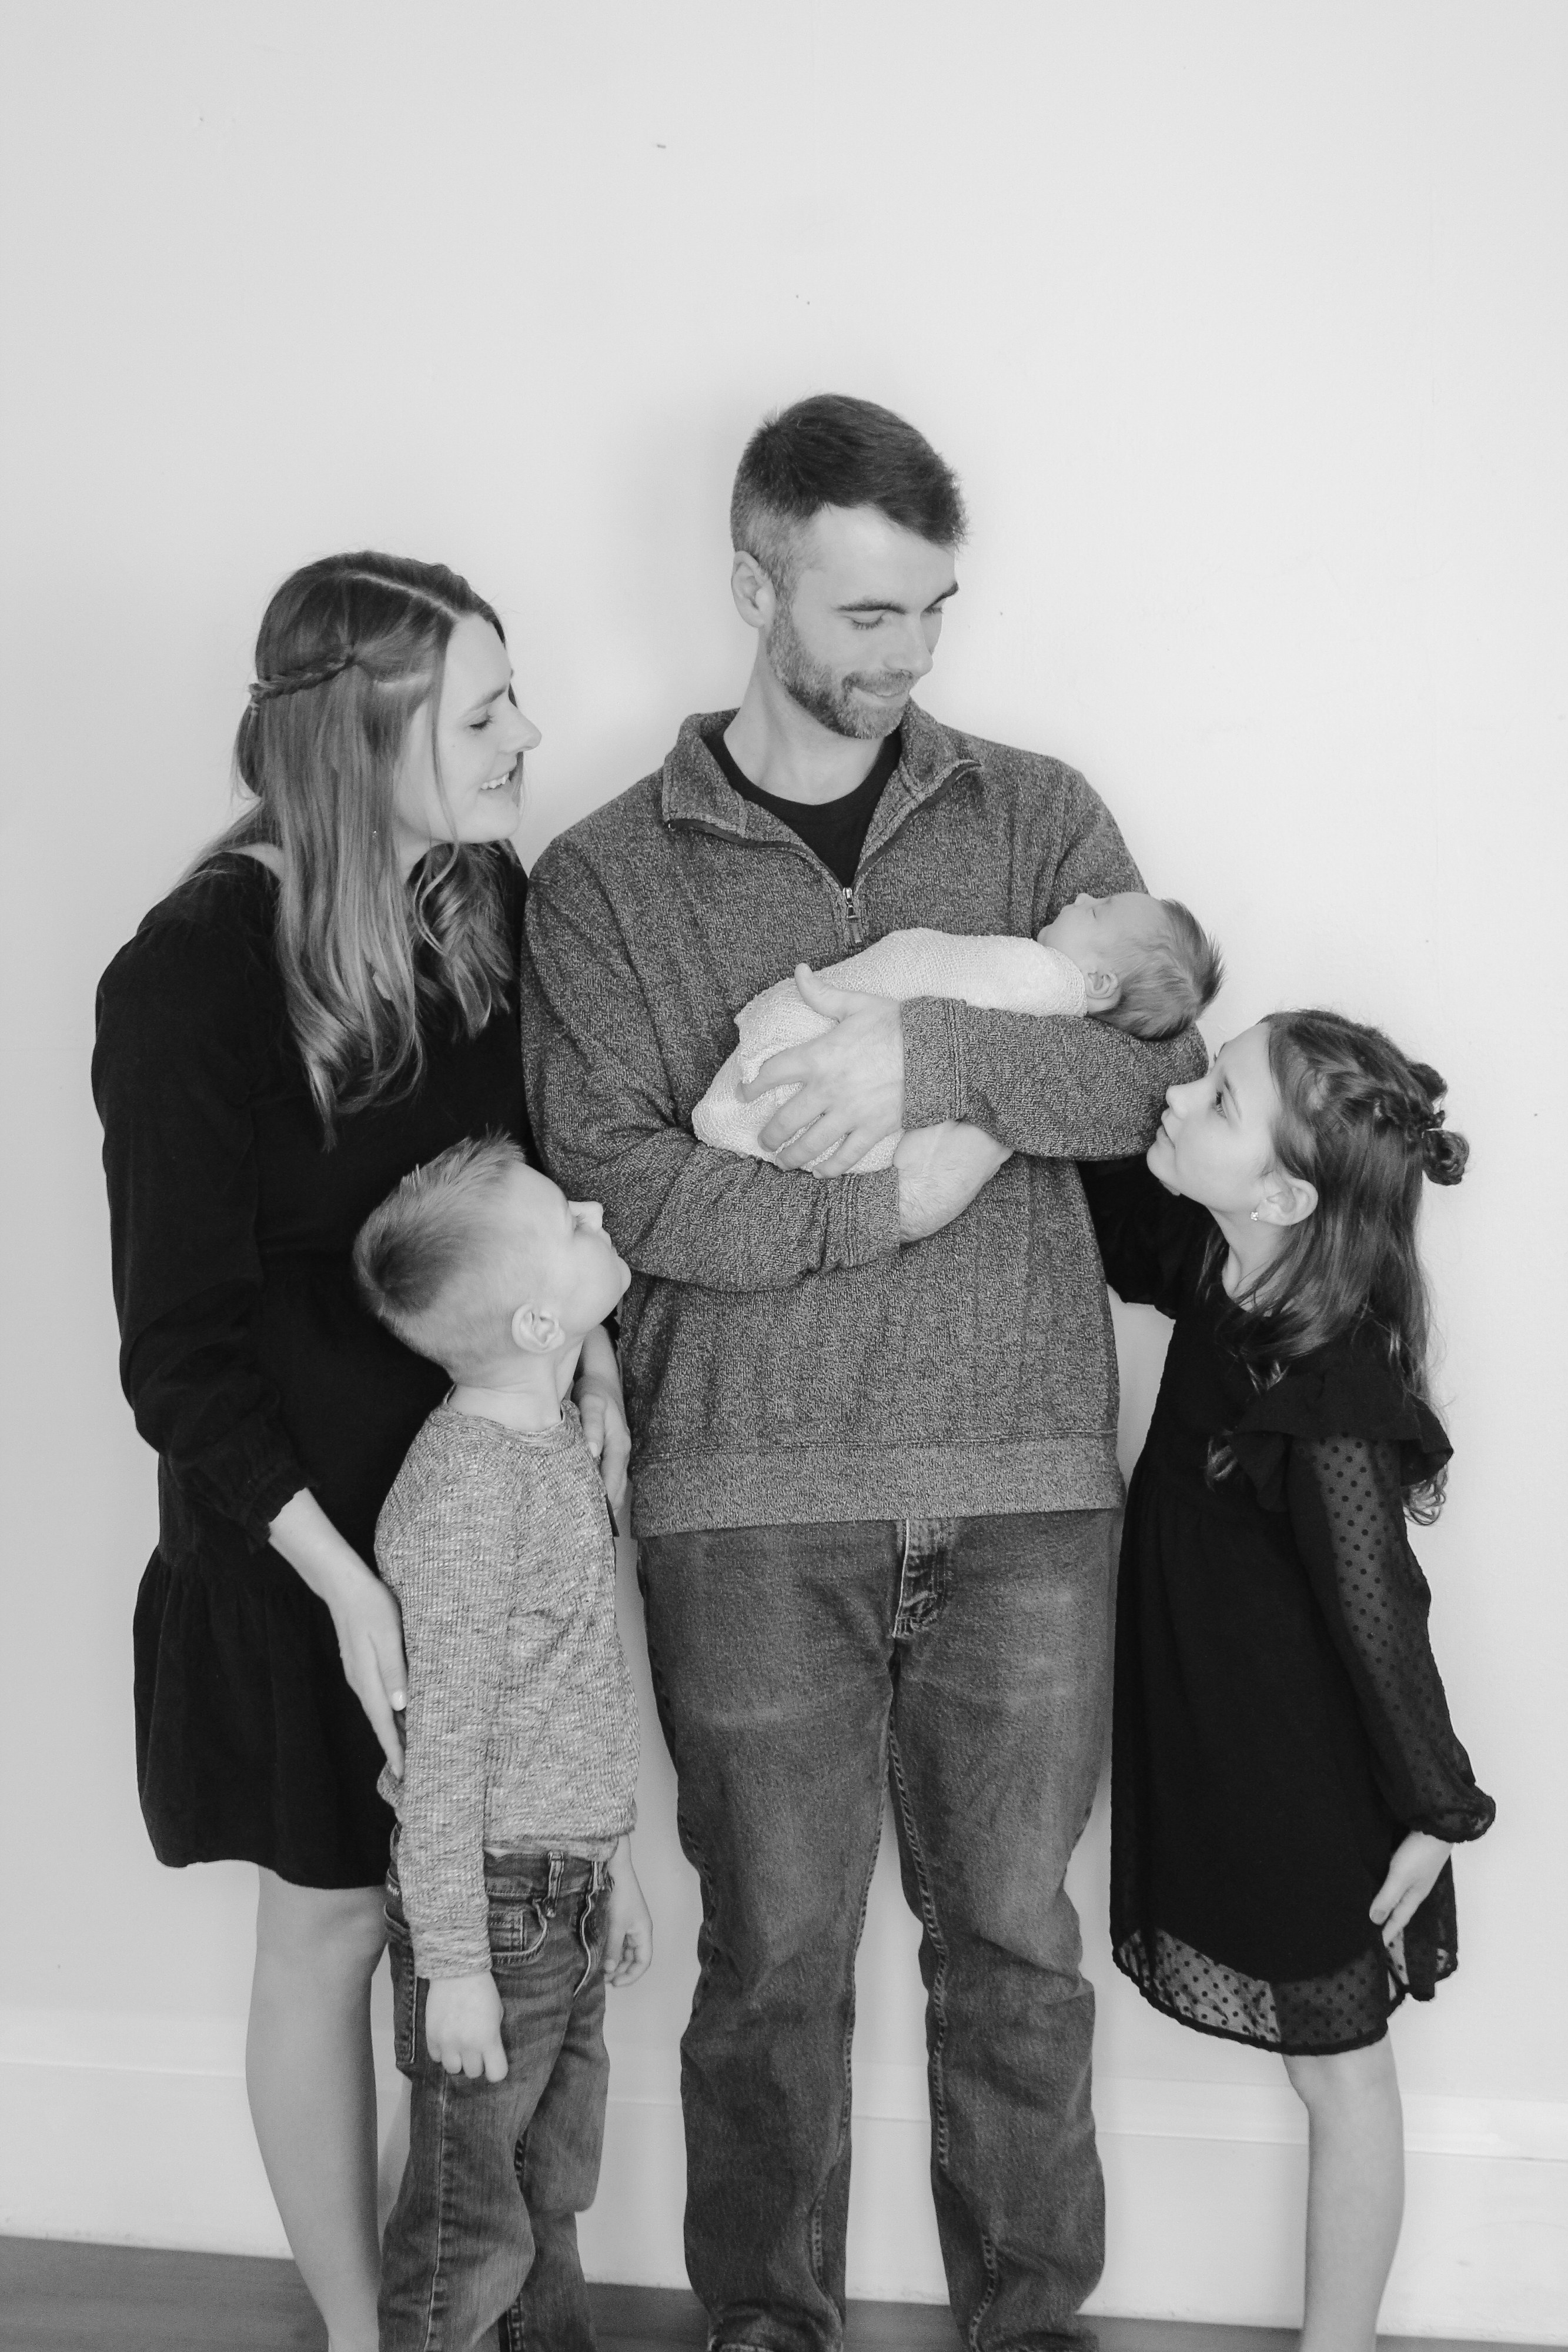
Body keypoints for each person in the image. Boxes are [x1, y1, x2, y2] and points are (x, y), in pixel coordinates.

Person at [520, 393, 1206, 2351]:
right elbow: (628, 1187)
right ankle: (766, 2331)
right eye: (863, 614)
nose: (904, 657)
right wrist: (888, 1208)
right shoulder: (604, 879)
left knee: (1018, 1960)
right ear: (754, 589)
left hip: (1024, 1484)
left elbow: (1147, 1084)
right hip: (746, 1502)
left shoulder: (1040, 817)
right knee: (770, 1968)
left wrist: (924, 1058)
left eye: (929, 612)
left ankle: (1028, 2325)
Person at [91, 554, 630, 2352]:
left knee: (499, 1939)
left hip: (484, 1532)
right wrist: (341, 1586)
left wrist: (590, 1360)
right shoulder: (188, 977)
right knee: (332, 1932)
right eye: (483, 712)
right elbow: (178, 1353)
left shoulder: (483, 903)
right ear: (358, 741)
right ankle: (358, 2326)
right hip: (301, 1555)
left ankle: (476, 2304)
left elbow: (523, 1190)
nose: (527, 735)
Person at [1079, 1010, 1494, 2352]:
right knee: (1332, 2071)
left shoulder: (1328, 1384)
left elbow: (1381, 1617)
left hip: (1307, 1775)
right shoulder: (1222, 1266)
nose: (1178, 1097)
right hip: (1222, 1735)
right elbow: (1115, 1209)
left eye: (1215, 1097)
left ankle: (1339, 2345)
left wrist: (1435, 1807)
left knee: (1342, 2076)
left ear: (1283, 1195)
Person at [352, 1135, 651, 2351]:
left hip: (560, 1895)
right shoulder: (467, 1490)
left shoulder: (550, 1439)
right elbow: (444, 1750)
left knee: (548, 2188)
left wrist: (613, 1865)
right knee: (468, 2225)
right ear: (538, 1322)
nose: (594, 1210)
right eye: (568, 1221)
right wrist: (457, 1966)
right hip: (492, 1910)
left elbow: (570, 1691)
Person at [694, 888, 1222, 1169]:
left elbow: (1169, 1073)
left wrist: (925, 1052)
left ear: (1100, 982)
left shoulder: (1033, 975)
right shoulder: (1049, 1008)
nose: (1083, 895)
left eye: (1098, 909)